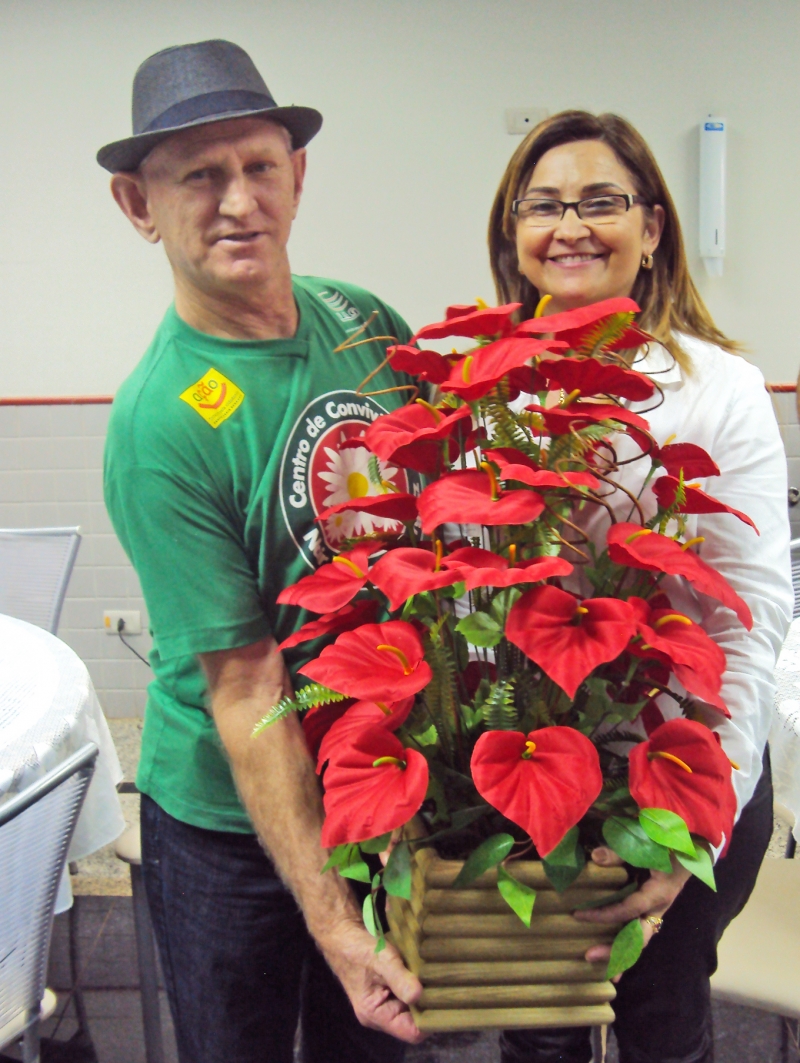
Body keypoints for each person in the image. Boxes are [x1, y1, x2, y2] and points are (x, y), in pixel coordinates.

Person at [99, 39, 423, 1063]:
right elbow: (245, 686)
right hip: (228, 824)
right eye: (200, 176)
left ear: (298, 174)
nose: (238, 201)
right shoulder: (160, 423)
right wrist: (332, 918)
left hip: (377, 783)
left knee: (375, 1040)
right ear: (138, 204)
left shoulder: (362, 320)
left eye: (259, 166)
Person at [487, 111, 792, 1063]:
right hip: (536, 770)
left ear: (652, 229)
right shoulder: (489, 390)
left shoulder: (718, 389)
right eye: (543, 205)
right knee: (538, 1028)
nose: (570, 226)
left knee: (662, 1027)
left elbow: (748, 621)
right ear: (514, 232)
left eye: (601, 202)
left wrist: (692, 826)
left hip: (680, 770)